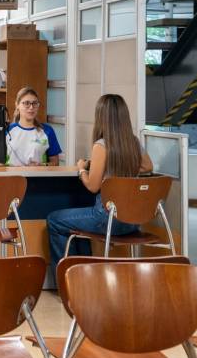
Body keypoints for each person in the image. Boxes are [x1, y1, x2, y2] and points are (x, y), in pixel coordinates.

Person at [47, 94, 154, 274]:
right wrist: (117, 168)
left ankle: (68, 280)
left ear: (101, 117)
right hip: (133, 222)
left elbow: (93, 186)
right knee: (76, 223)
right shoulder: (133, 142)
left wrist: (82, 169)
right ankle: (83, 274)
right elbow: (148, 166)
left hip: (107, 219)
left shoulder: (101, 145)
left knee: (55, 220)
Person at [6, 87, 62, 166]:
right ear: (17, 105)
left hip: (38, 177)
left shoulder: (47, 130)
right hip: (13, 177)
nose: (31, 107)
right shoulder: (7, 130)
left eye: (35, 103)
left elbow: (55, 163)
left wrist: (42, 166)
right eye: (26, 103)